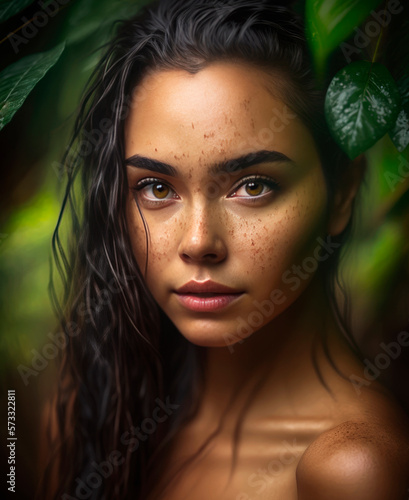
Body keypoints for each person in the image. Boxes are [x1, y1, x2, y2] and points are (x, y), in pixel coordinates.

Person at [44, 0, 409, 499]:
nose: (198, 243)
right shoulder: (105, 409)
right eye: (156, 188)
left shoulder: (350, 469)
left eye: (253, 186)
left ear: (342, 191)